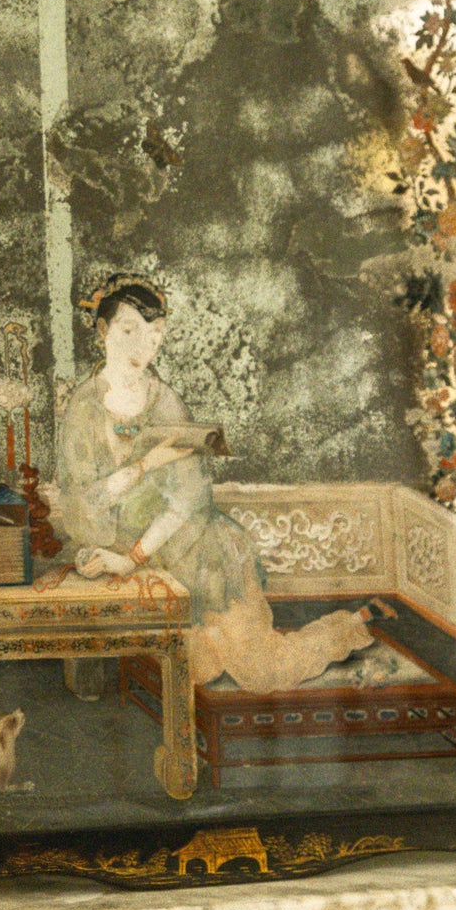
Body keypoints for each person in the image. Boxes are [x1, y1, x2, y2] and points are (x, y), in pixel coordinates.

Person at [54, 276, 371, 693]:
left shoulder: (166, 402)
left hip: (200, 551)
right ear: (102, 331)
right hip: (136, 556)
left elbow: (188, 500)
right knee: (192, 672)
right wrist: (144, 467)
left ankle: (351, 626)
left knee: (262, 674)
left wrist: (131, 557)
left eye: (155, 335)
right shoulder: (83, 407)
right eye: (129, 331)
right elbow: (82, 503)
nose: (143, 347)